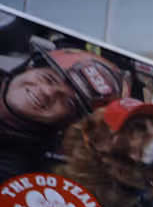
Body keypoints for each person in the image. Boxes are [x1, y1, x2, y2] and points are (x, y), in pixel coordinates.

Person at [0, 44, 127, 180]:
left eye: (67, 102)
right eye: (48, 79)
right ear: (29, 67)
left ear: (67, 124)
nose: (48, 92)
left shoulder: (18, 175)